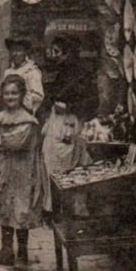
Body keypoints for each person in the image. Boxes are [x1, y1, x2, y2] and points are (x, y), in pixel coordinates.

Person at [0, 74, 45, 270]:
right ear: (1, 95)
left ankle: (22, 253)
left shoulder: (28, 121)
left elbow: (18, 141)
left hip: (22, 171)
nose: (10, 97)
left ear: (21, 95)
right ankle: (6, 251)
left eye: (14, 93)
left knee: (20, 210)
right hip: (0, 169)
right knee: (3, 206)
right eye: (6, 93)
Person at [40, 38, 94, 209]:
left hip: (72, 122)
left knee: (70, 163)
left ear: (69, 53)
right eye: (53, 51)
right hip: (56, 121)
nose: (55, 56)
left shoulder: (82, 74)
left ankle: (69, 207)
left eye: (58, 51)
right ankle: (52, 206)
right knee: (50, 162)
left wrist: (70, 107)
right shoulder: (58, 73)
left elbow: (92, 102)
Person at [2, 37, 44, 114]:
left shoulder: (31, 71)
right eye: (12, 50)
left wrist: (21, 102)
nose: (15, 54)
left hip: (24, 111)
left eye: (18, 50)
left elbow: (38, 96)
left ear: (25, 52)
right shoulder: (8, 72)